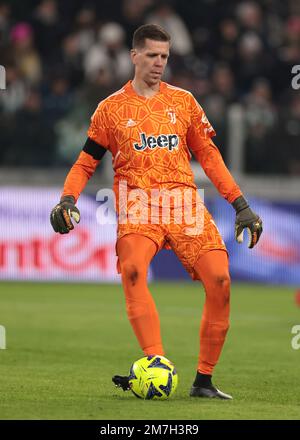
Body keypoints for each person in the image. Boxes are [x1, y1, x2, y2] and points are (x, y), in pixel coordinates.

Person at [50, 24, 262, 399]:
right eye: (152, 55)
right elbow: (85, 163)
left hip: (184, 205)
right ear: (134, 56)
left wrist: (239, 204)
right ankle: (156, 364)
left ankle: (204, 381)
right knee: (133, 270)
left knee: (222, 282)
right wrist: (68, 198)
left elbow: (209, 157)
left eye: (164, 56)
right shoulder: (110, 109)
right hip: (137, 204)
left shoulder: (184, 102)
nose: (159, 63)